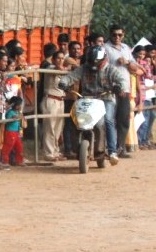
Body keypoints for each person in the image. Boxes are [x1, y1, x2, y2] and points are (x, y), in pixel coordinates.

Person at [58, 45, 130, 164]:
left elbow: (121, 80)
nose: (94, 66)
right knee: (75, 119)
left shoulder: (110, 69)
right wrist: (63, 83)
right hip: (86, 98)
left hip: (106, 98)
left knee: (107, 121)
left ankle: (112, 151)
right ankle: (75, 147)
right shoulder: (84, 68)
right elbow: (71, 77)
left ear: (104, 59)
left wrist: (119, 87)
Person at [105, 25, 139, 157]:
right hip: (110, 89)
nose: (117, 37)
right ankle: (110, 148)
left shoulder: (126, 48)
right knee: (109, 119)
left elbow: (135, 68)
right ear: (110, 35)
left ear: (123, 35)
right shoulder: (105, 48)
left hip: (125, 88)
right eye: (114, 35)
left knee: (124, 118)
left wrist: (126, 62)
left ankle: (120, 147)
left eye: (120, 35)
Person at [40, 44, 67, 161]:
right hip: (50, 100)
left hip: (60, 100)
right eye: (58, 58)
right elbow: (57, 69)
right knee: (49, 128)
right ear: (53, 59)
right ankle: (48, 153)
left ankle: (56, 151)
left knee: (58, 128)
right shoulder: (49, 68)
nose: (60, 61)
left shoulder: (63, 70)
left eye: (62, 58)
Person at [1, 96, 26, 166]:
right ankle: (5, 161)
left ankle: (19, 160)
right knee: (8, 147)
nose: (20, 106)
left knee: (19, 147)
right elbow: (9, 118)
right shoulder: (10, 112)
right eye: (19, 105)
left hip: (16, 132)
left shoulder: (18, 112)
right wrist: (16, 117)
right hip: (10, 132)